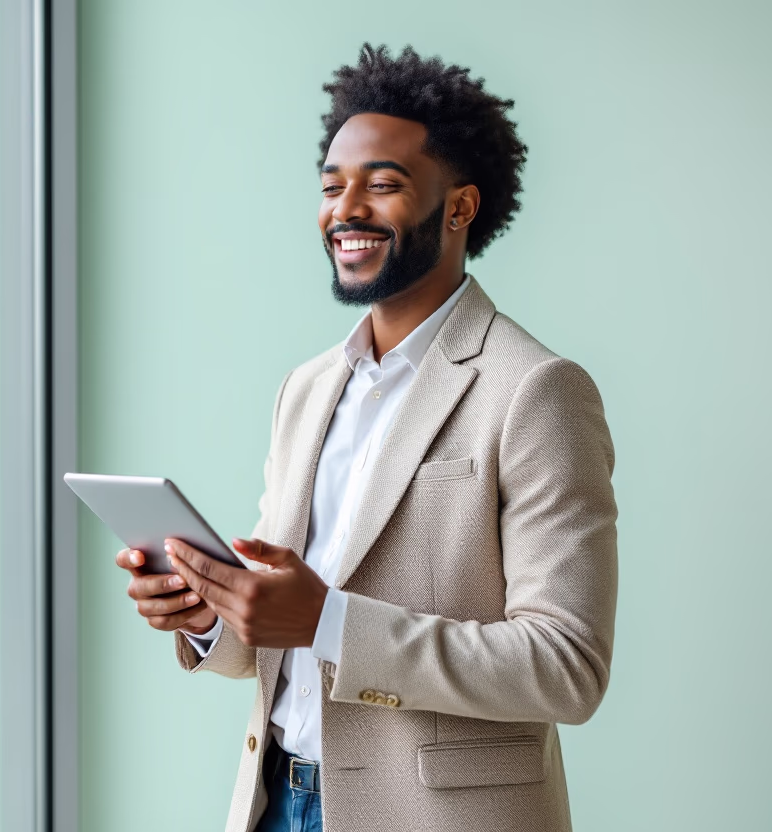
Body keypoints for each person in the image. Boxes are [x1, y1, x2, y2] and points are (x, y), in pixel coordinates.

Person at [115, 42, 617, 832]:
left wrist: (328, 620)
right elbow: (282, 643)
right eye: (330, 186)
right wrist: (211, 612)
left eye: (382, 184)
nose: (345, 209)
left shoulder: (536, 391)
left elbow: (567, 668)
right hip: (277, 801)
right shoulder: (306, 389)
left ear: (459, 207)